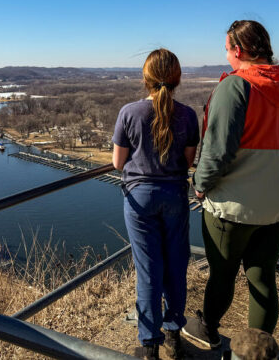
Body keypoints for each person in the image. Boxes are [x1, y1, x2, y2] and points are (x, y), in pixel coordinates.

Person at [183, 20, 279, 349]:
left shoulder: (236, 87)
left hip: (232, 208)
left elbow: (216, 151)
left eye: (227, 51)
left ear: (238, 49)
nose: (227, 58)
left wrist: (200, 186)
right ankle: (257, 350)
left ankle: (207, 329)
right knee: (262, 280)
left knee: (222, 273)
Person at [112, 48, 199, 360]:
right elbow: (189, 161)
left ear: (144, 79)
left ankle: (149, 347)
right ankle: (174, 334)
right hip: (175, 196)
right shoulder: (188, 115)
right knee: (176, 266)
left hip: (139, 199)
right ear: (177, 79)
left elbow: (118, 163)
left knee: (149, 271)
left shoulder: (129, 112)